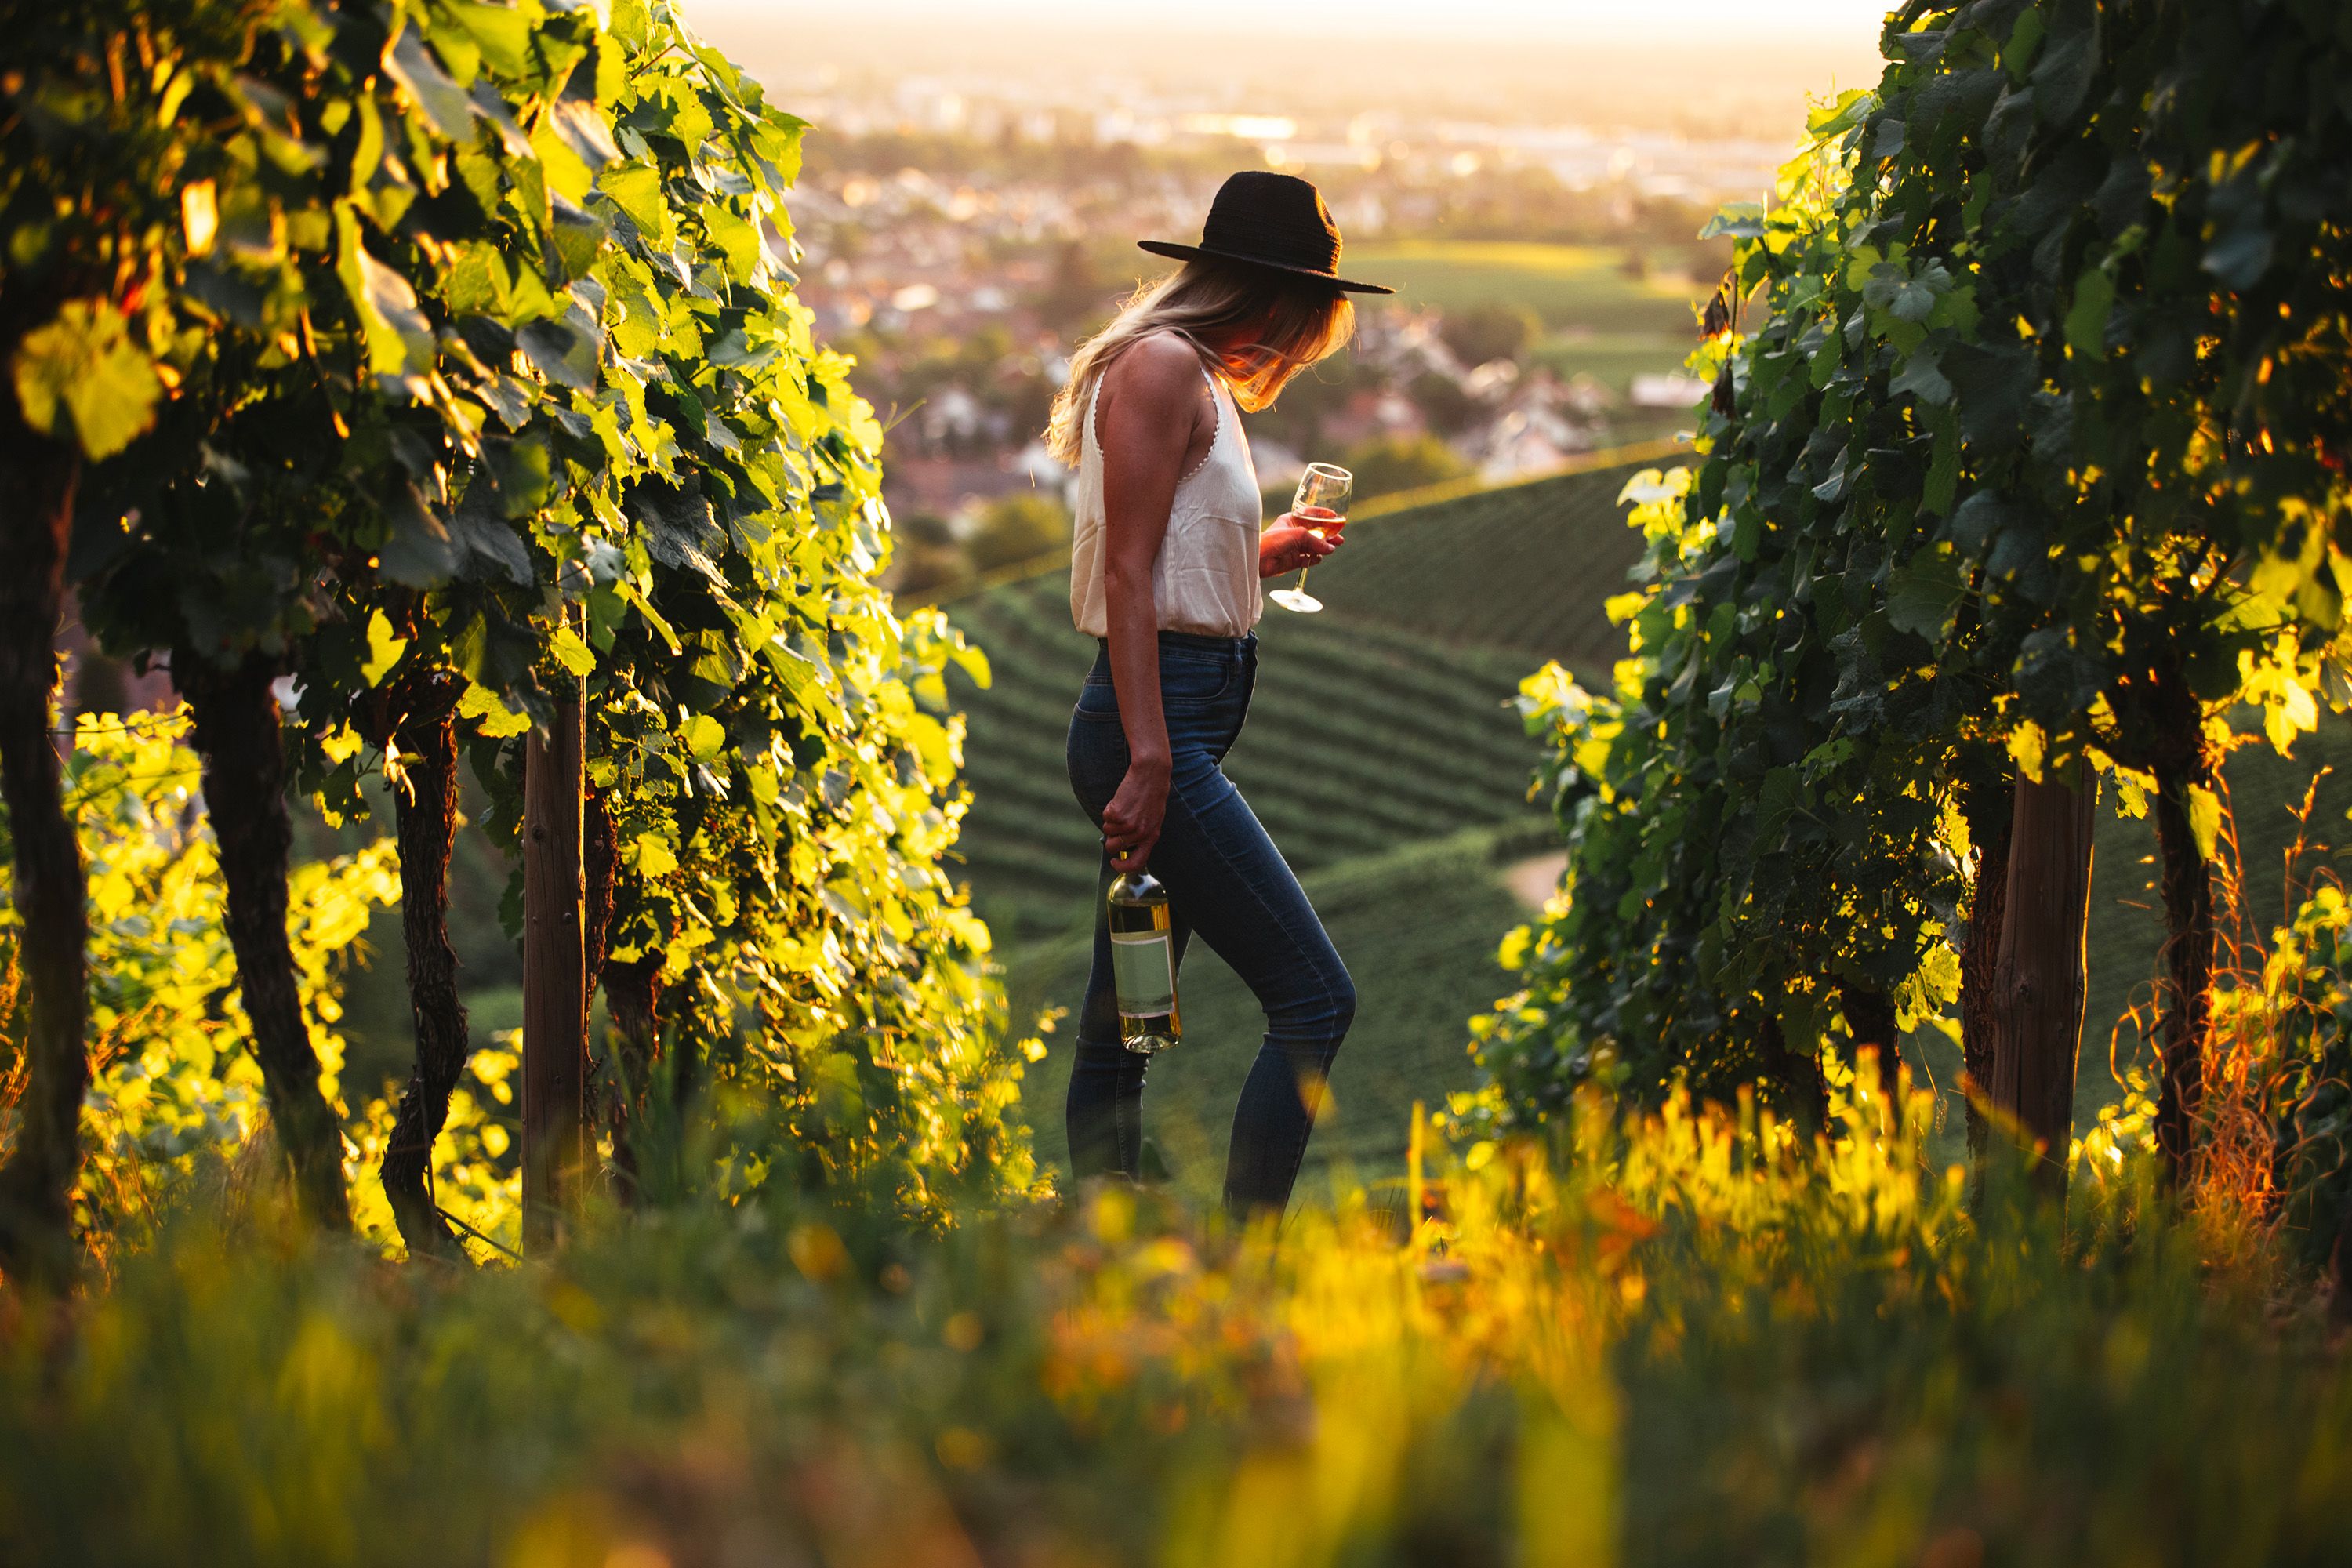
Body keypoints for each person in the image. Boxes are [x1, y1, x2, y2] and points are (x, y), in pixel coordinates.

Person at [1043, 170, 1393, 1220]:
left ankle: (1107, 1247)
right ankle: (1244, 1270)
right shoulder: (1159, 366)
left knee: (1128, 1021)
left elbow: (1168, 558)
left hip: (1176, 714)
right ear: (1271, 293)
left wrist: (1262, 551)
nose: (1303, 340)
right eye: (1309, 311)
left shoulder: (1195, 377)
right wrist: (1152, 758)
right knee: (1316, 1000)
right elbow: (1125, 577)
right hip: (1155, 725)